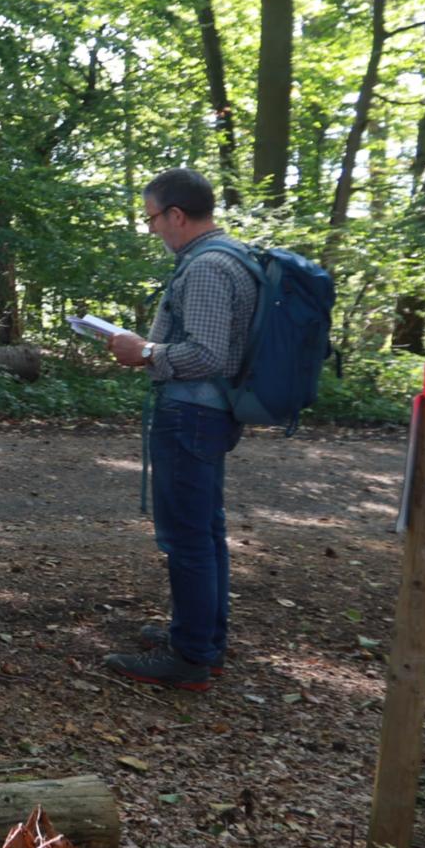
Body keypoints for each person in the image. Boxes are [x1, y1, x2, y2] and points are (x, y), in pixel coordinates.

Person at [102, 168, 254, 692]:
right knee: (205, 532)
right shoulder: (233, 257)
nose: (153, 230)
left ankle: (190, 657)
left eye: (152, 219)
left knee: (188, 538)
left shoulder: (209, 266)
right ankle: (202, 637)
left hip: (192, 415)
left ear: (177, 215)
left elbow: (207, 354)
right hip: (208, 414)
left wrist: (143, 352)